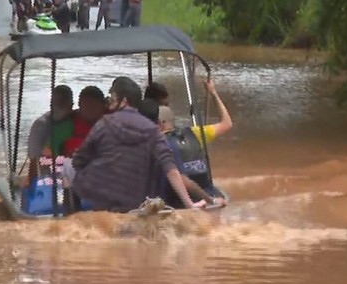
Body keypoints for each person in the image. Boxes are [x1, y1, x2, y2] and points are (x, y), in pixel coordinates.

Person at [62, 76, 205, 212]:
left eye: (112, 99)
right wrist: (190, 204)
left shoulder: (104, 124)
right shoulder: (152, 130)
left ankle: (72, 216)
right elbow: (171, 169)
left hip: (109, 204)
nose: (110, 102)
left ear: (123, 101)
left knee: (68, 166)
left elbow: (79, 161)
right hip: (143, 202)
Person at [156, 79, 234, 207]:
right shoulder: (196, 133)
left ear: (159, 124)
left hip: (180, 202)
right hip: (209, 194)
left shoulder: (157, 143)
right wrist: (213, 92)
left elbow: (181, 179)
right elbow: (227, 123)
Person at [23, 85, 75, 188]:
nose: (59, 107)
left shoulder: (75, 121)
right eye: (57, 103)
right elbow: (35, 160)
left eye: (63, 104)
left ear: (71, 106)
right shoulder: (41, 125)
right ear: (51, 104)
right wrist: (32, 185)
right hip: (48, 175)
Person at [62, 85, 108, 156]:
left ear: (103, 106)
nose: (89, 110)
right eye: (85, 106)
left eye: (93, 106)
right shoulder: (67, 124)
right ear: (79, 105)